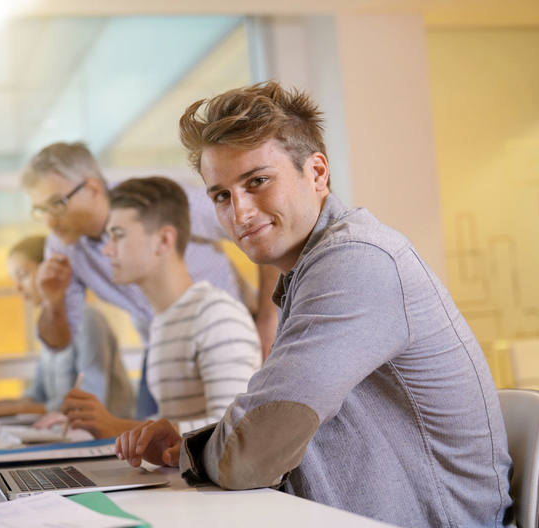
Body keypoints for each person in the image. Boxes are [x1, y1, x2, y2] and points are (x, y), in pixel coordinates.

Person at [114, 82, 514, 528]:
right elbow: (262, 434)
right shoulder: (310, 269)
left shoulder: (357, 260)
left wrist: (194, 452)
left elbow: (255, 450)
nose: (240, 213)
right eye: (222, 195)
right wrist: (183, 450)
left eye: (258, 182)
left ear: (317, 173)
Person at [22, 142, 279, 419]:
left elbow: (261, 233)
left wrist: (267, 318)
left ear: (93, 189)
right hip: (163, 339)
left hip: (230, 330)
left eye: (56, 205)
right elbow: (60, 342)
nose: (48, 221)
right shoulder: (62, 246)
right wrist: (52, 302)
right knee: (148, 443)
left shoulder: (155, 201)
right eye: (40, 210)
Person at [59, 177, 262, 439]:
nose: (107, 250)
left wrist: (115, 427)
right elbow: (173, 421)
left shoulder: (216, 316)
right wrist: (108, 426)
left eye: (118, 236)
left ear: (164, 240)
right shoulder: (161, 324)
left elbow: (234, 431)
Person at [0, 236, 133, 420]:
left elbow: (91, 401)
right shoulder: (50, 328)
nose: (17, 288)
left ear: (50, 270)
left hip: (104, 439)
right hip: (64, 430)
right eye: (14, 279)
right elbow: (37, 395)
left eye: (23, 275)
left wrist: (11, 410)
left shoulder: (87, 319)